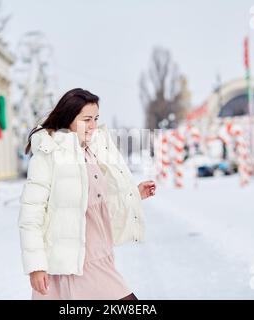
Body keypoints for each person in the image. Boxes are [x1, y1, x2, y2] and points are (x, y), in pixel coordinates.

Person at [19, 88, 156, 300]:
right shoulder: (49, 154)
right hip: (72, 264)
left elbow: (98, 206)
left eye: (96, 119)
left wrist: (135, 195)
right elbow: (31, 215)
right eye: (87, 119)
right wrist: (36, 266)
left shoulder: (90, 153)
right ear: (69, 119)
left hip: (100, 257)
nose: (93, 126)